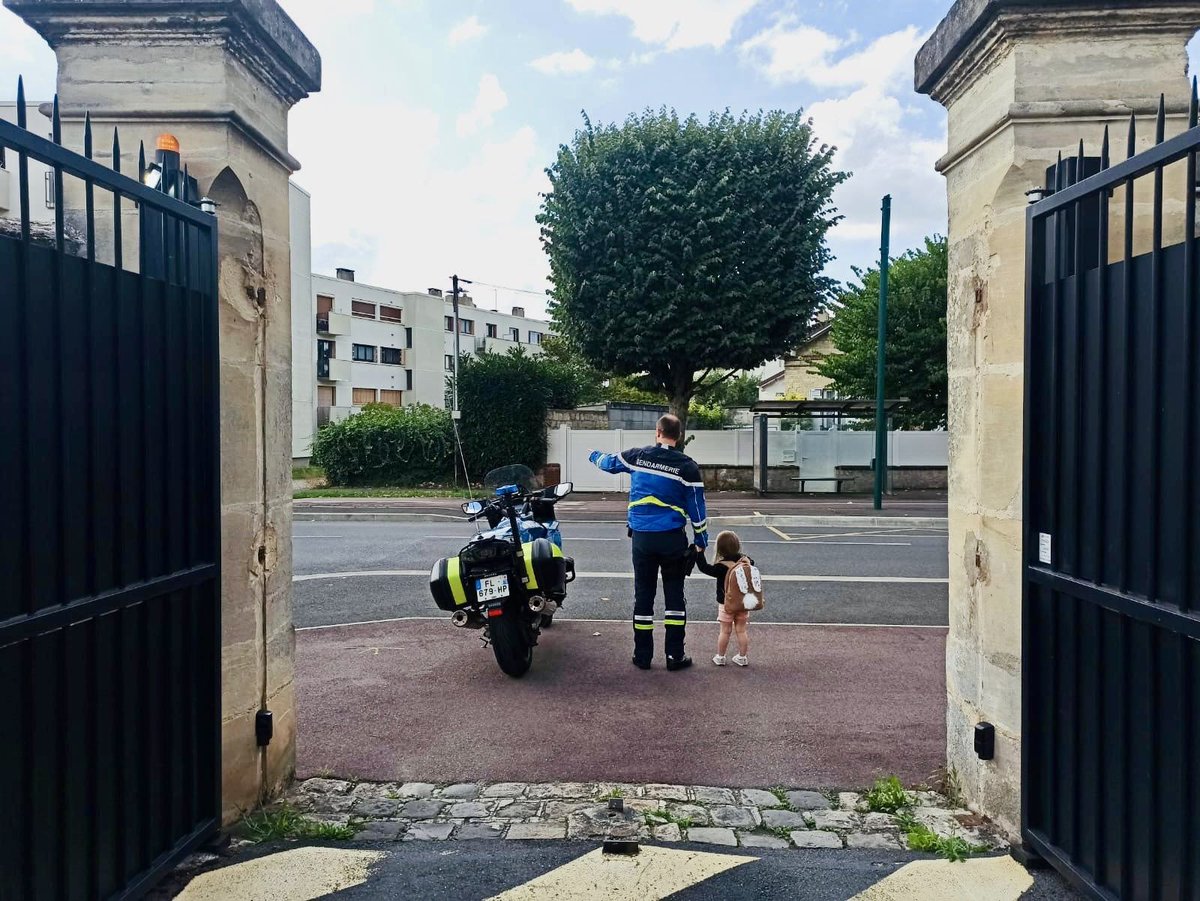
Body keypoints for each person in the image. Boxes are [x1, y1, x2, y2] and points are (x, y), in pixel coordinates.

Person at [588, 414, 708, 671]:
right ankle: (675, 656)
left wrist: (592, 454)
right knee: (674, 596)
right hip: (673, 539)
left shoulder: (637, 456)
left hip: (642, 538)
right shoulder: (688, 467)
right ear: (679, 435)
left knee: (644, 596)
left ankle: (642, 656)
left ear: (657, 432)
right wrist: (701, 540)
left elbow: (607, 463)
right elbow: (697, 508)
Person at [695, 530, 752, 667]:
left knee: (725, 631)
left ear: (719, 549)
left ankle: (720, 657)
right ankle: (742, 657)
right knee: (741, 630)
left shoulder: (721, 567)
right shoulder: (745, 561)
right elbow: (752, 564)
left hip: (726, 603)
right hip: (743, 603)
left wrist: (699, 552)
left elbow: (704, 568)